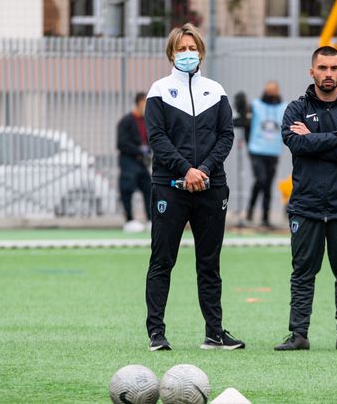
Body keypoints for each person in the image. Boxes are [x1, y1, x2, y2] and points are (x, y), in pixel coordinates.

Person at [144, 23, 244, 351]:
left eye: (192, 48)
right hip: (170, 186)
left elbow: (226, 135)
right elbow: (157, 138)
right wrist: (186, 170)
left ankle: (214, 333)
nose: (187, 54)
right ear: (171, 53)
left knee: (209, 263)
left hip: (211, 187)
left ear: (201, 51)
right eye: (180, 49)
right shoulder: (158, 90)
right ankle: (156, 333)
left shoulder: (216, 90)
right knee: (162, 261)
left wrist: (202, 171)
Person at [274, 46, 337, 351]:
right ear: (312, 71)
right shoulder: (295, 109)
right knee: (303, 272)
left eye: (333, 68)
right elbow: (295, 144)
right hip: (306, 206)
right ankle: (298, 335)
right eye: (322, 68)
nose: (328, 74)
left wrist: (314, 139)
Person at [246, 80, 286, 228]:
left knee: (267, 185)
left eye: (273, 91)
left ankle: (265, 217)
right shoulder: (256, 105)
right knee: (261, 180)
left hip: (273, 151)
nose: (271, 94)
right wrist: (249, 144)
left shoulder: (283, 107)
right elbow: (247, 125)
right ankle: (251, 210)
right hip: (257, 150)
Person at [117, 92, 152, 233]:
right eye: (145, 103)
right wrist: (139, 150)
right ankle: (129, 220)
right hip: (128, 161)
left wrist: (147, 150)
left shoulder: (148, 120)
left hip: (142, 162)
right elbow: (121, 143)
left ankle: (151, 219)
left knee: (148, 189)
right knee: (127, 190)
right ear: (138, 103)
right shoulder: (126, 121)